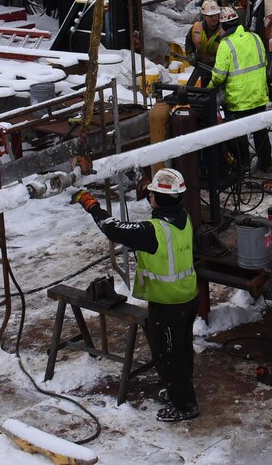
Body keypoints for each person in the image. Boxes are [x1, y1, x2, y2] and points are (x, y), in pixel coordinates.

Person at [71, 168, 200, 422]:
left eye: (152, 194)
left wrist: (91, 205)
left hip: (168, 303)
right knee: (182, 351)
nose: (149, 197)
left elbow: (114, 228)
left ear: (159, 200)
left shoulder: (153, 231)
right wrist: (141, 181)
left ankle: (186, 405)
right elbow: (158, 204)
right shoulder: (182, 217)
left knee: (169, 355)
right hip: (187, 297)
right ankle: (178, 392)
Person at [209, 6, 272, 173]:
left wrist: (208, 89)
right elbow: (264, 63)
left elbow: (218, 76)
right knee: (260, 131)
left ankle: (243, 165)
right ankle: (266, 164)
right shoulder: (255, 37)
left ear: (222, 26)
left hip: (238, 100)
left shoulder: (226, 44)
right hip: (258, 96)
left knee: (238, 134)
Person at [184, 0, 224, 84]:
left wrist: (212, 60)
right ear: (205, 16)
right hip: (202, 67)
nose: (214, 18)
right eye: (210, 16)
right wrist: (190, 53)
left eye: (216, 15)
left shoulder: (224, 31)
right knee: (204, 90)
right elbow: (189, 41)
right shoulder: (196, 27)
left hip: (219, 69)